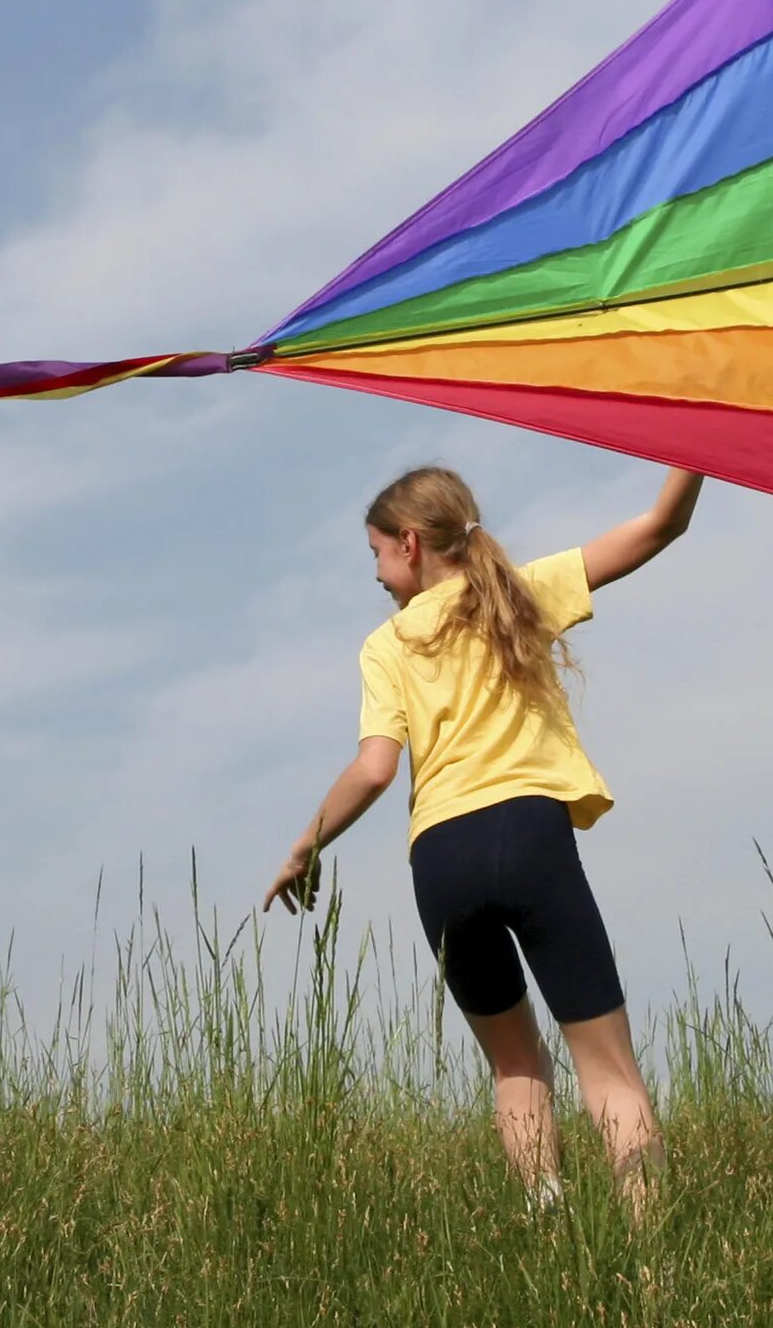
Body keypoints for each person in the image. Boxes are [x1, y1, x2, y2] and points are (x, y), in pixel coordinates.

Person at [265, 463, 703, 1211]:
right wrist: (693, 450)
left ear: (409, 543)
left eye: (375, 553)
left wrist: (306, 846)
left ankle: (548, 1230)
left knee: (515, 1070)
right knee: (607, 1069)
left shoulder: (386, 645)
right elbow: (660, 526)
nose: (374, 571)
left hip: (441, 858)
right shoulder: (518, 591)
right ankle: (653, 1266)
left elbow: (374, 771)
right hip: (529, 834)